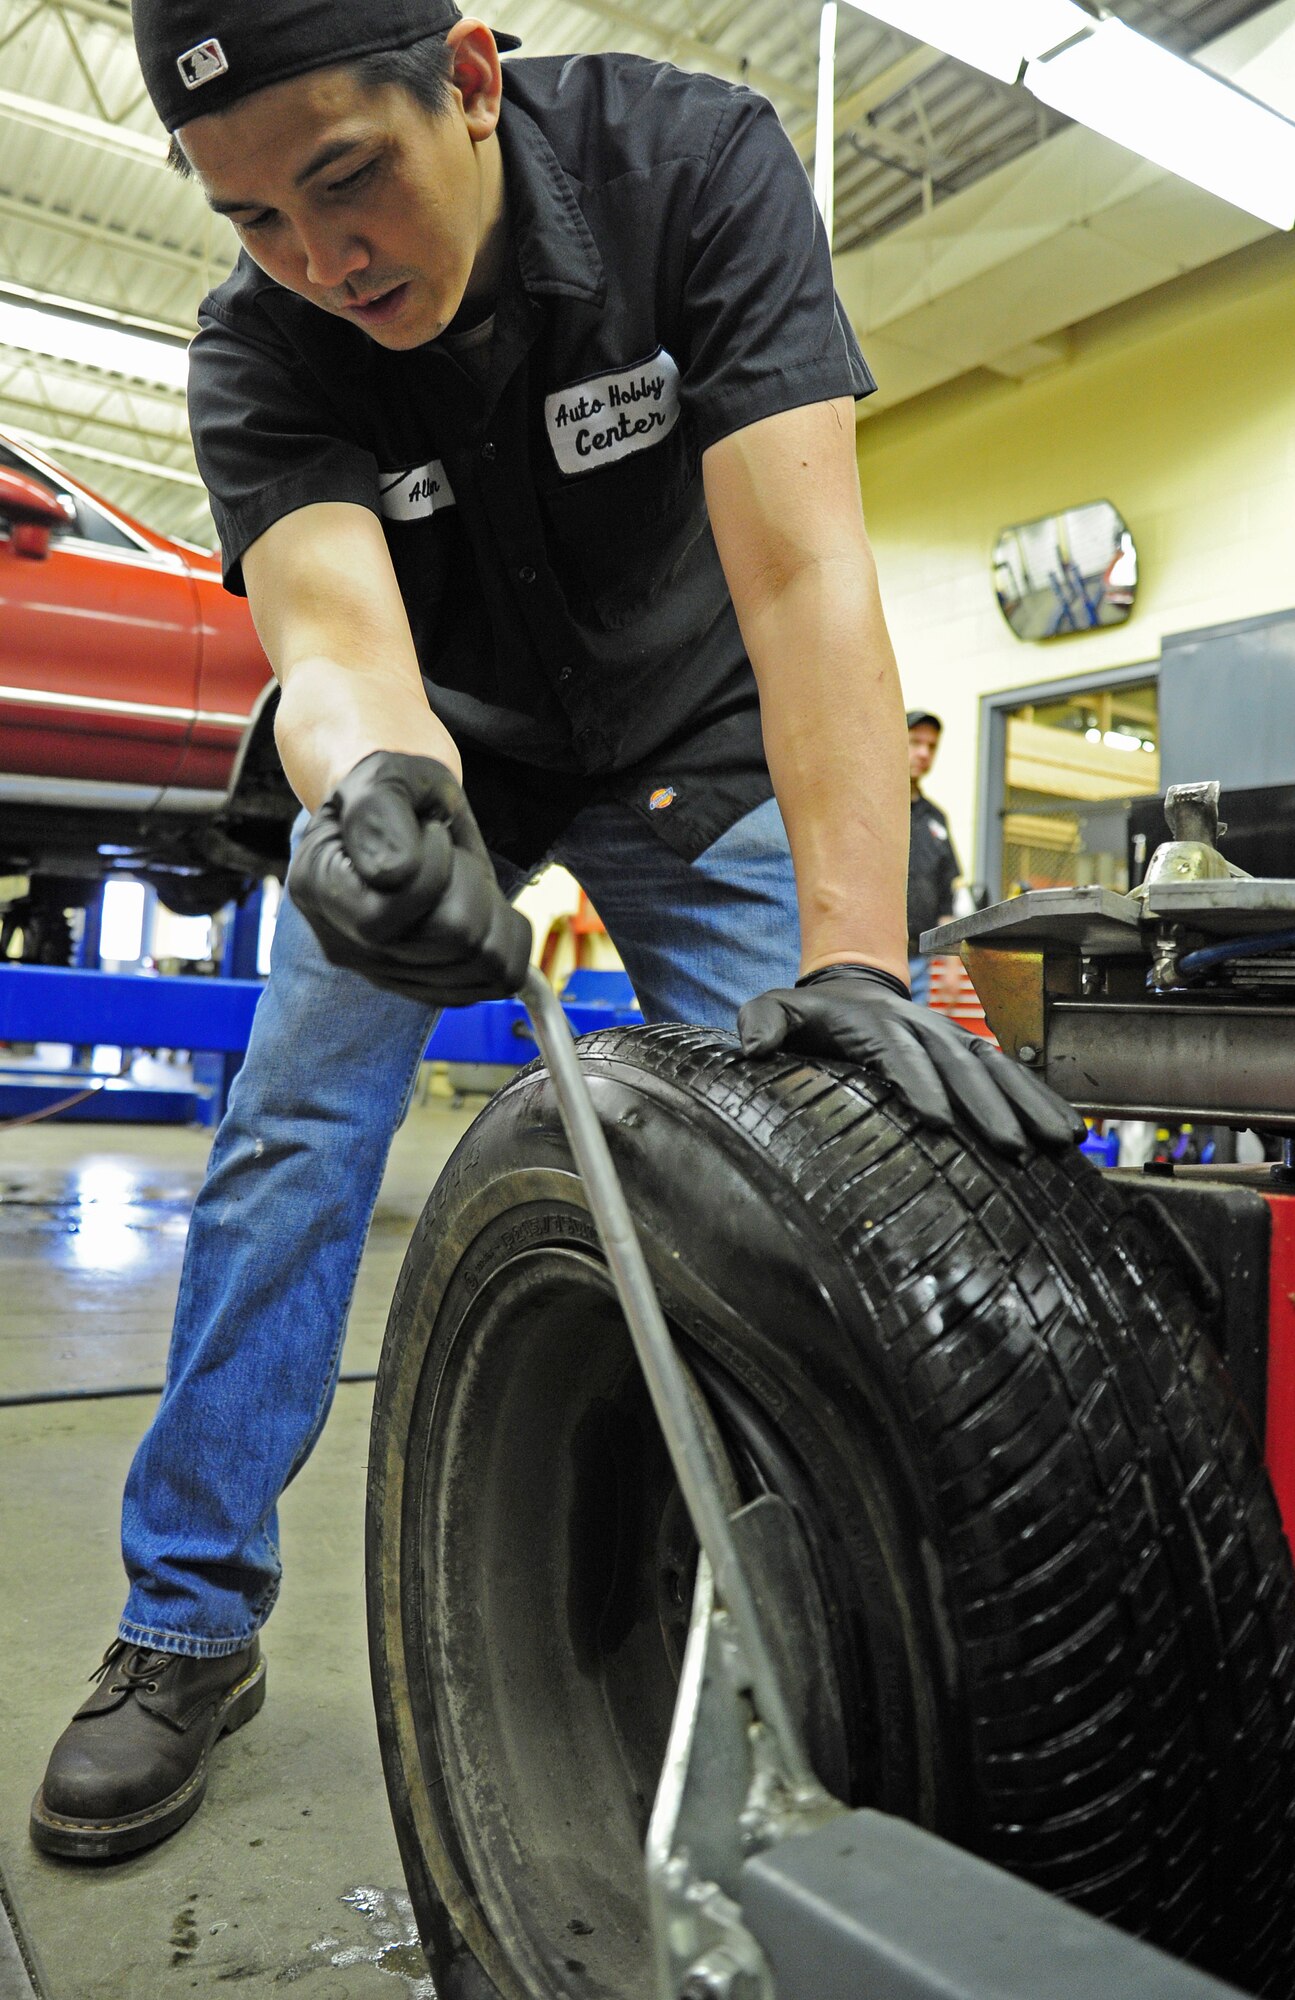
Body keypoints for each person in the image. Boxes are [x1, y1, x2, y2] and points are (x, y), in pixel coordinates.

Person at [30, 0, 1084, 1863]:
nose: (320, 259)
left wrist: (851, 949)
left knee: (825, 1162)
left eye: (346, 180)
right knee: (287, 1136)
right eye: (255, 218)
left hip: (691, 735)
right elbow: (341, 646)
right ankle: (187, 1622)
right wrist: (376, 804)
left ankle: (862, 1610)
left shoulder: (694, 169)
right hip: (437, 757)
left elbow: (806, 570)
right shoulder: (261, 344)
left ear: (471, 75)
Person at [905, 708, 960, 1005]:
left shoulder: (935, 818)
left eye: (931, 746)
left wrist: (952, 967)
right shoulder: (871, 806)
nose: (924, 753)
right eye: (914, 742)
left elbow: (946, 896)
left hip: (919, 964)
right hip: (872, 961)